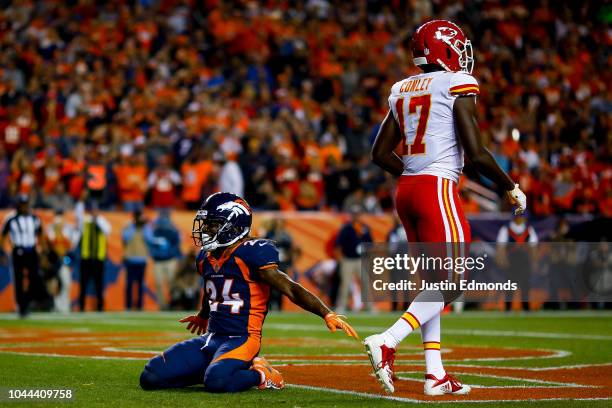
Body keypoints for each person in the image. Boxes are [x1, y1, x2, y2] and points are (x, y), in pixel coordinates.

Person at [365, 20, 527, 396]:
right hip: (436, 188)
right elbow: (476, 153)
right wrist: (509, 186)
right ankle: (388, 340)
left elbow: (378, 152)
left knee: (433, 285)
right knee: (454, 283)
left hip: (407, 190)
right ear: (446, 49)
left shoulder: (401, 88)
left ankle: (434, 375)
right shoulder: (457, 83)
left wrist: (414, 171)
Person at [139, 192, 358, 392]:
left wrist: (326, 313)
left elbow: (290, 287)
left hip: (243, 338)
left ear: (234, 226)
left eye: (213, 224)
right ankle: (212, 369)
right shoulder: (206, 258)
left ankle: (262, 374)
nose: (205, 230)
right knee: (151, 377)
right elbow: (212, 288)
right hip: (212, 338)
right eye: (206, 224)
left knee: (217, 382)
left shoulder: (252, 253)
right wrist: (203, 315)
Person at [0, 194, 47, 317]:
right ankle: (22, 306)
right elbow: (3, 235)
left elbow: (40, 235)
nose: (24, 207)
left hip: (31, 250)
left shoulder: (34, 219)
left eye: (26, 204)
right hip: (18, 252)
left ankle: (29, 301)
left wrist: (42, 252)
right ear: (18, 205)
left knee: (34, 278)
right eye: (22, 204)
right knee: (19, 280)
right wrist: (2, 252)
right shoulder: (11, 219)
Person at [496, 211, 538, 311]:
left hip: (524, 261)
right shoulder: (506, 229)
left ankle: (526, 308)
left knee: (525, 285)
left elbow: (533, 247)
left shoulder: (529, 229)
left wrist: (534, 261)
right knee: (510, 286)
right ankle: (508, 308)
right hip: (512, 261)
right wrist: (503, 259)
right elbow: (500, 247)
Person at [334, 206, 372, 312]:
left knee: (365, 282)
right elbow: (338, 244)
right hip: (348, 259)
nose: (357, 216)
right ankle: (342, 305)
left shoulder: (365, 228)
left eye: (358, 214)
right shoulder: (346, 228)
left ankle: (369, 306)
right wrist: (340, 259)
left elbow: (370, 244)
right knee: (345, 283)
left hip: (361, 259)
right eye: (355, 214)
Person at [76, 201, 111, 311]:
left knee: (99, 285)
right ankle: (81, 307)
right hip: (86, 257)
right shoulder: (85, 221)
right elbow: (78, 219)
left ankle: (100, 307)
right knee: (83, 285)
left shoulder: (102, 221)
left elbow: (107, 230)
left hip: (98, 258)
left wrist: (97, 219)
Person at [145, 209, 181, 310]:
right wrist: (155, 254)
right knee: (158, 284)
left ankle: (173, 304)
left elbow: (176, 244)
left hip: (170, 260)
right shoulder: (154, 231)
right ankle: (163, 305)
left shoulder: (173, 231)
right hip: (158, 261)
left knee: (172, 284)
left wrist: (170, 253)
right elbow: (150, 244)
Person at [45, 208, 78, 313]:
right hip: (54, 259)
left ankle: (65, 305)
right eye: (57, 215)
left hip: (65, 259)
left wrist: (68, 261)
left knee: (66, 282)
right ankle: (56, 305)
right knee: (55, 284)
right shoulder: (49, 228)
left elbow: (71, 246)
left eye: (60, 215)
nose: (58, 218)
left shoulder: (68, 228)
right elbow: (50, 244)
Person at [122, 210, 149, 310]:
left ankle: (139, 306)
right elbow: (126, 237)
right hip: (130, 259)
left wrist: (144, 226)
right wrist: (134, 226)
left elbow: (149, 238)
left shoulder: (145, 227)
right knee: (129, 284)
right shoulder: (128, 226)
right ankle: (128, 306)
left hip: (142, 259)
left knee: (141, 285)